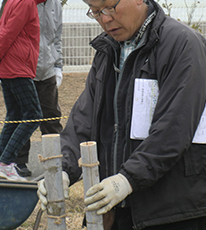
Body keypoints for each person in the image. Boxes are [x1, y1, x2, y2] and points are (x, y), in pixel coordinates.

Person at [37, 0, 206, 229]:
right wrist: (62, 169)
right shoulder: (109, 51)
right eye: (95, 12)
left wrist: (127, 179)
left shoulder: (182, 45)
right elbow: (84, 120)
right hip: (118, 208)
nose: (105, 19)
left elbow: (174, 129)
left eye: (110, 7)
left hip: (171, 212)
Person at [0, 0, 45, 181]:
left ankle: (0, 165)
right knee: (33, 115)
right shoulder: (26, 3)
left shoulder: (15, 1)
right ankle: (5, 163)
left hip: (8, 66)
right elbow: (7, 32)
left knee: (14, 116)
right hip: (17, 66)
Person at [15, 0, 64, 177]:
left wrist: (58, 66)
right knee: (22, 118)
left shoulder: (55, 4)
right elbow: (7, 32)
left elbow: (56, 38)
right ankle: (18, 161)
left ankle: (55, 160)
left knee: (52, 117)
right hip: (23, 70)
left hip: (47, 70)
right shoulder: (21, 3)